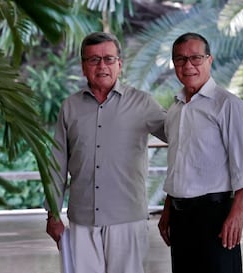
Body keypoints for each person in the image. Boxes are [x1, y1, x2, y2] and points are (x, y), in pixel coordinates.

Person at [45, 31, 167, 273]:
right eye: (94, 60)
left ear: (119, 64)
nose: (102, 66)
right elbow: (57, 164)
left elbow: (180, 138)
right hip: (82, 221)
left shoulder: (143, 103)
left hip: (127, 220)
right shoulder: (70, 107)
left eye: (109, 59)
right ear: (83, 67)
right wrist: (52, 213)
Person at [157, 32, 243, 273]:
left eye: (196, 58)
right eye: (180, 59)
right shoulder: (175, 109)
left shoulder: (227, 105)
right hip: (180, 219)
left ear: (209, 60)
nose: (188, 65)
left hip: (215, 216)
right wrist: (168, 209)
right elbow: (178, 164)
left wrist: (236, 215)